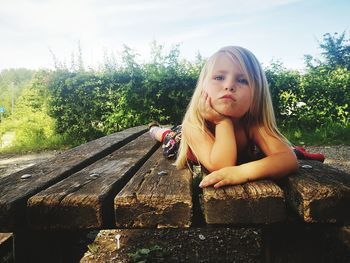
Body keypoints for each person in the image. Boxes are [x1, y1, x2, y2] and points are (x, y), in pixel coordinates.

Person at [149, 46, 323, 189]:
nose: (229, 85)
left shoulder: (253, 123)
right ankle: (153, 128)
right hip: (185, 141)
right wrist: (222, 122)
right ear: (203, 86)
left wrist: (242, 172)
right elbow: (222, 166)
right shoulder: (194, 125)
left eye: (242, 80)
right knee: (168, 136)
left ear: (257, 94)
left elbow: (287, 159)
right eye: (219, 77)